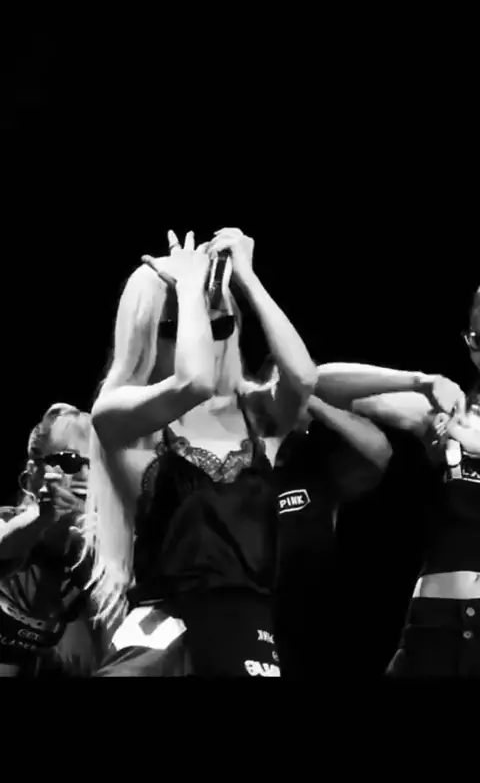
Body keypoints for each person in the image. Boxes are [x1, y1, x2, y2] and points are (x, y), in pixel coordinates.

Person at [84, 227, 317, 677]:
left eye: (220, 324)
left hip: (248, 632)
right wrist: (191, 289)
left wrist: (247, 278)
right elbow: (194, 383)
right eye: (178, 326)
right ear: (146, 331)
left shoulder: (254, 411)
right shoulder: (116, 413)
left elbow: (304, 378)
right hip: (166, 638)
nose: (206, 339)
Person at [315, 286, 480, 677]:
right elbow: (317, 381)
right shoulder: (451, 414)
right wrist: (420, 381)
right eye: (477, 339)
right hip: (435, 626)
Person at [273, 391, 392, 679]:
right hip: (249, 605)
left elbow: (380, 454)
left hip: (312, 616)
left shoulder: (313, 454)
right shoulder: (235, 454)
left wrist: (309, 399)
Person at [0, 403, 100, 677]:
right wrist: (42, 517)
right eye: (69, 461)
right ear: (32, 473)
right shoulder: (8, 521)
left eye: (96, 465)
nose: (84, 475)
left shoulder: (97, 549)